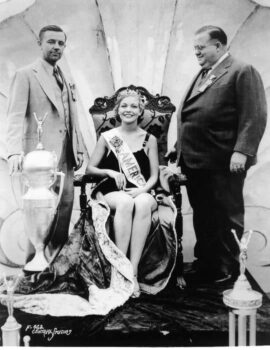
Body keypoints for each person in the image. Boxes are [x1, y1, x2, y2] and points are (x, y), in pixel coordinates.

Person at [167, 25, 267, 284]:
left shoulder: (241, 71)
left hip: (224, 161)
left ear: (220, 46)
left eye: (201, 47)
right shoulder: (204, 73)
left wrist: (242, 151)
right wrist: (178, 148)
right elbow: (193, 115)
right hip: (197, 161)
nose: (196, 52)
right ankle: (207, 264)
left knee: (226, 215)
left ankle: (227, 268)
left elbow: (254, 115)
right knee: (204, 215)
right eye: (195, 48)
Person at [6, 25, 84, 262]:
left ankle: (57, 269)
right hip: (38, 160)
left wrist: (77, 148)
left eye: (61, 43)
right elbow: (14, 116)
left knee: (64, 210)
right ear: (40, 44)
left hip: (66, 157)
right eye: (51, 42)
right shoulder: (26, 74)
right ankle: (35, 269)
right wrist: (12, 153)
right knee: (39, 213)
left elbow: (72, 118)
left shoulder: (65, 77)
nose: (57, 47)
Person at [86, 89, 159, 297]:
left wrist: (143, 189)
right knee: (126, 203)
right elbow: (91, 168)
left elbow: (154, 176)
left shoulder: (149, 139)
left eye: (134, 106)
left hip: (141, 189)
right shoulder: (108, 138)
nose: (129, 110)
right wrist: (108, 171)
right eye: (124, 106)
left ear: (140, 111)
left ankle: (132, 271)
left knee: (143, 202)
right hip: (112, 192)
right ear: (118, 111)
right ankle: (119, 270)